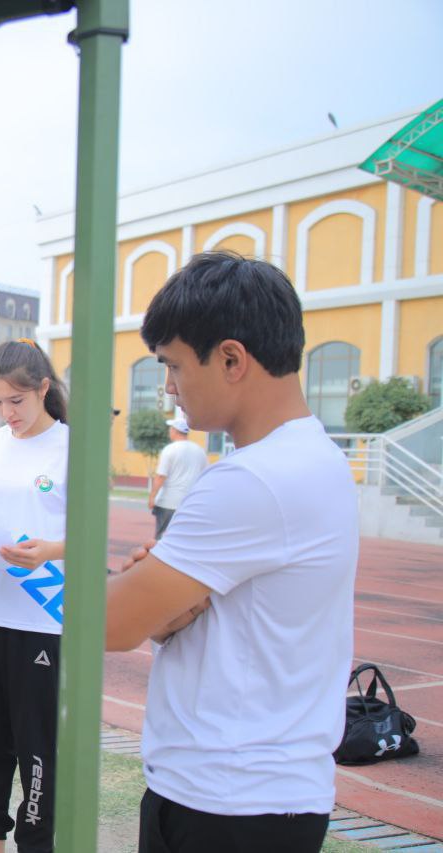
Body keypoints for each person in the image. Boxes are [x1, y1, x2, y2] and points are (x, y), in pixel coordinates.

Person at [105, 252, 358, 853]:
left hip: (226, 800)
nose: (170, 387)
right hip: (264, 791)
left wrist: (138, 591)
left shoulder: (253, 480)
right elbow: (171, 619)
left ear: (230, 359)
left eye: (174, 365)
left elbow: (109, 624)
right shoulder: (315, 457)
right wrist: (160, 606)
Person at [0, 339, 68, 853]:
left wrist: (52, 550)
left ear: (43, 388)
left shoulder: (73, 448)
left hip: (42, 616)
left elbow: (95, 531)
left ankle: (36, 843)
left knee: (37, 746)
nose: (7, 413)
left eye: (16, 401)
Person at [147, 412, 208, 538]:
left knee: (160, 538)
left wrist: (152, 497)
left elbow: (161, 476)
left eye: (170, 429)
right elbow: (205, 476)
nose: (169, 431)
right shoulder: (199, 451)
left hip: (168, 502)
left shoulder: (169, 450)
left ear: (175, 431)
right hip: (190, 504)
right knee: (185, 537)